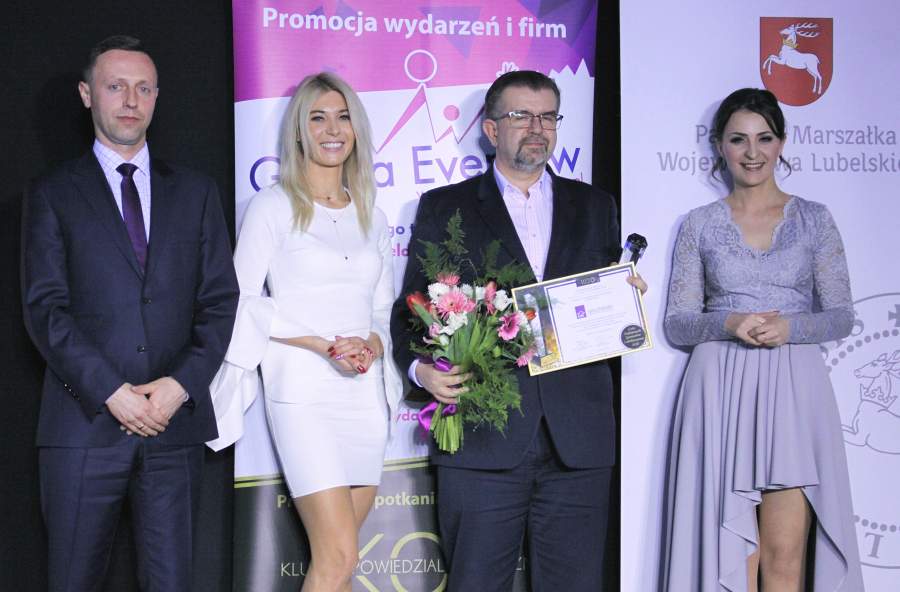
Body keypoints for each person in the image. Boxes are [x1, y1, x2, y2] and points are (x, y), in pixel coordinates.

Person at [390, 70, 646, 591]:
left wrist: (624, 299)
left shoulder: (595, 206)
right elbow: (412, 309)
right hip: (484, 438)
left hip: (578, 440)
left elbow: (601, 306)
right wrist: (421, 370)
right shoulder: (446, 207)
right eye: (521, 116)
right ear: (490, 129)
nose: (537, 128)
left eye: (548, 116)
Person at [20, 35, 238, 591]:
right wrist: (112, 392)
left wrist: (179, 387)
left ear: (157, 97)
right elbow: (45, 309)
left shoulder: (196, 192)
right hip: (83, 427)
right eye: (116, 86)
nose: (130, 100)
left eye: (143, 88)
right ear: (87, 94)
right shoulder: (52, 193)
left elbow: (220, 302)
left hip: (173, 427)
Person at [660, 88, 863, 591]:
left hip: (793, 389)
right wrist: (728, 322)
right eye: (738, 140)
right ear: (719, 147)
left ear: (781, 143)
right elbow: (678, 323)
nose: (752, 152)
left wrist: (792, 327)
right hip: (719, 388)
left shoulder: (815, 218)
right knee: (731, 556)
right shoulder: (699, 224)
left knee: (784, 556)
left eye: (764, 138)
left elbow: (841, 316)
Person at [209, 72, 402, 592]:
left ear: (356, 129)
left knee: (339, 563)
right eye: (318, 118)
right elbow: (241, 300)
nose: (332, 129)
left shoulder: (373, 216)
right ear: (299, 130)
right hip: (302, 393)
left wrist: (371, 345)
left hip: (364, 397)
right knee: (338, 557)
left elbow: (382, 309)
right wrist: (321, 344)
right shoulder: (273, 207)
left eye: (343, 117)